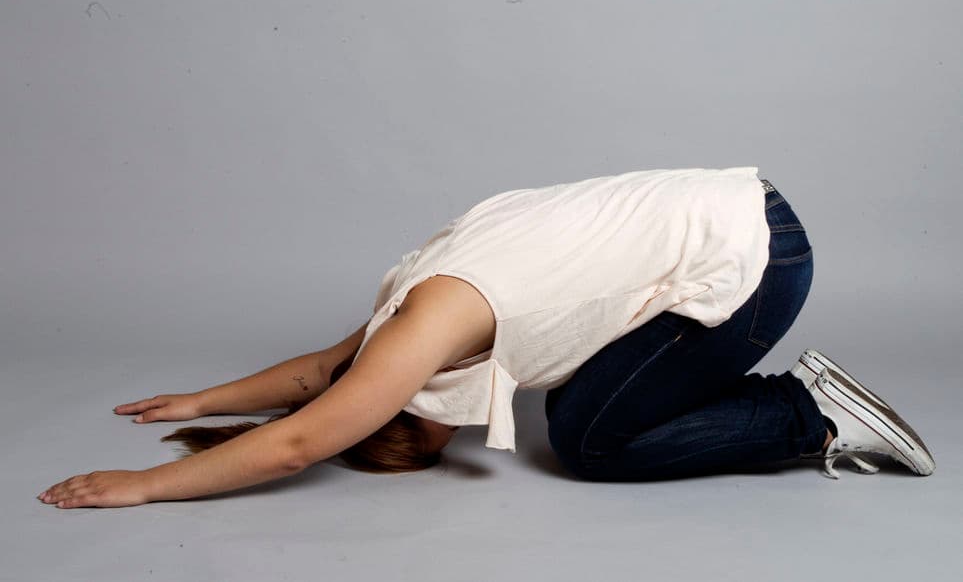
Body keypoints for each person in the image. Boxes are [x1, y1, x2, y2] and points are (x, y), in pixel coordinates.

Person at [37, 167, 935, 509]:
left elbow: (300, 439)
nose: (456, 428)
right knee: (577, 399)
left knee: (588, 440)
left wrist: (143, 487)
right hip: (738, 206)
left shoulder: (422, 334)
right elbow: (319, 373)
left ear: (404, 406)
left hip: (755, 259)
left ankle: (807, 415)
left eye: (432, 433)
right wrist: (204, 401)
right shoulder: (404, 308)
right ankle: (799, 406)